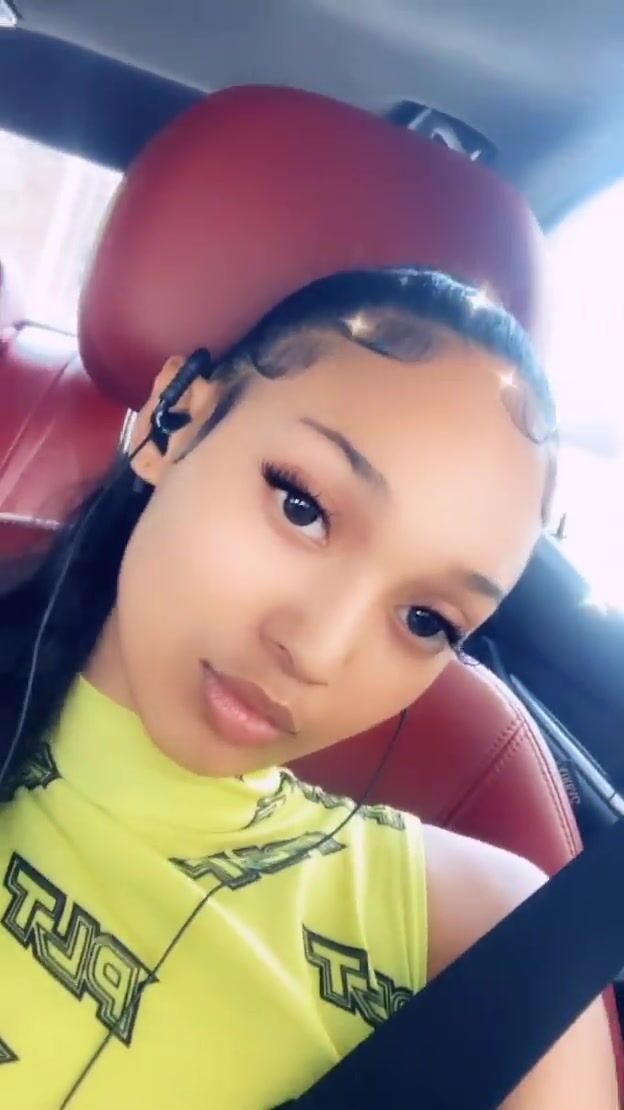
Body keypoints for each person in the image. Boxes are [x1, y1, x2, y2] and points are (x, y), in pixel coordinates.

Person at [0, 268, 616, 1107]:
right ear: (176, 421)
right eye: (302, 508)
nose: (317, 651)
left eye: (426, 620)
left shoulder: (487, 940)